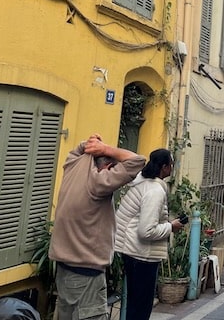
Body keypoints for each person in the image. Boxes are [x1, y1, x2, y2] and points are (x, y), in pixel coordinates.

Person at [49, 134, 145, 320]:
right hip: (86, 274)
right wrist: (107, 149)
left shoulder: (72, 166)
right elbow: (137, 161)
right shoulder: (99, 182)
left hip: (63, 269)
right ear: (108, 167)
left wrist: (92, 143)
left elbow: (77, 149)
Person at [115, 148, 185, 320]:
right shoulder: (154, 191)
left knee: (134, 305)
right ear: (164, 167)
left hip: (132, 251)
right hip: (142, 255)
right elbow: (146, 231)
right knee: (140, 308)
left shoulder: (143, 183)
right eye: (171, 164)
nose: (172, 167)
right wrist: (171, 227)